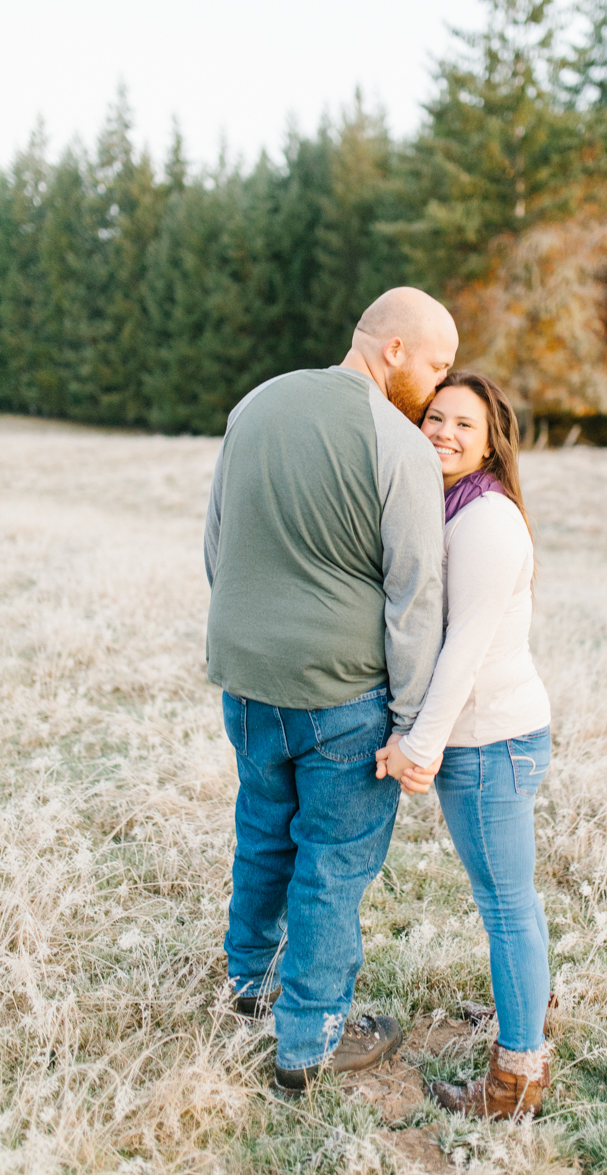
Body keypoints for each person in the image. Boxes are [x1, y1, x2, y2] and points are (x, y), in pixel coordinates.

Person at [204, 287, 458, 1093]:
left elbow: (218, 545)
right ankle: (308, 1042)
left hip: (246, 683)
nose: (442, 381)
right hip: (341, 698)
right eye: (437, 363)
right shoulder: (397, 442)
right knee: (334, 862)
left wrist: (256, 639)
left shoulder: (254, 405)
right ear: (393, 351)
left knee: (263, 828)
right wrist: (414, 721)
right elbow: (414, 595)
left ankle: (250, 989)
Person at [376, 370, 552, 1121]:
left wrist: (420, 746)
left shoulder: (485, 521)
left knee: (507, 906)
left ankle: (516, 1080)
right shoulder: (450, 506)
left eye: (464, 426)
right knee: (510, 901)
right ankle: (526, 1016)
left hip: (490, 741)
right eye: (434, 418)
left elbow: (464, 648)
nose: (444, 433)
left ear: (488, 445)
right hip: (489, 738)